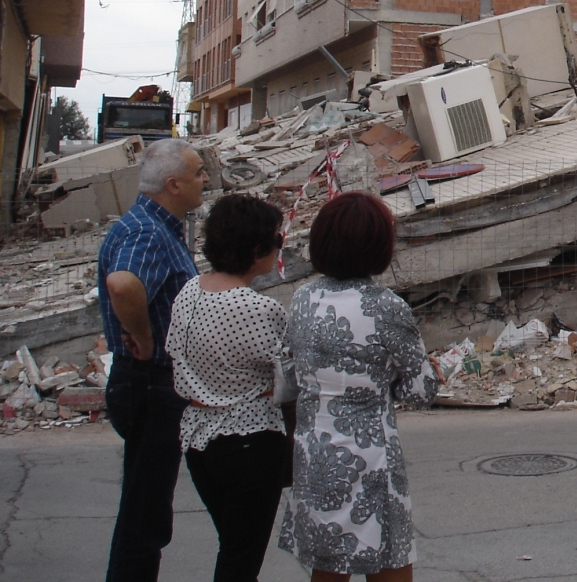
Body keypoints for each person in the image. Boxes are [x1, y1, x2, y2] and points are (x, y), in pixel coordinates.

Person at [279, 192, 437, 582]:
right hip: (370, 459)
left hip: (316, 454)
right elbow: (420, 390)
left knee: (328, 564)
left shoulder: (303, 298)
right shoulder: (386, 307)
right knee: (388, 558)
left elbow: (291, 373)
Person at [98, 138, 209, 582]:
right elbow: (124, 284)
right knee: (145, 513)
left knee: (146, 507)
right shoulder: (146, 231)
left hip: (154, 383)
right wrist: (142, 337)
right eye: (199, 172)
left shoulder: (160, 227)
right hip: (148, 381)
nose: (205, 179)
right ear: (173, 184)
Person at [166, 194, 292, 582]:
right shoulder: (257, 308)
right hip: (250, 442)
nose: (280, 248)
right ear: (257, 249)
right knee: (241, 558)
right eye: (278, 240)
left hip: (199, 440)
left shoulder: (190, 291)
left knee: (234, 547)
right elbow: (290, 375)